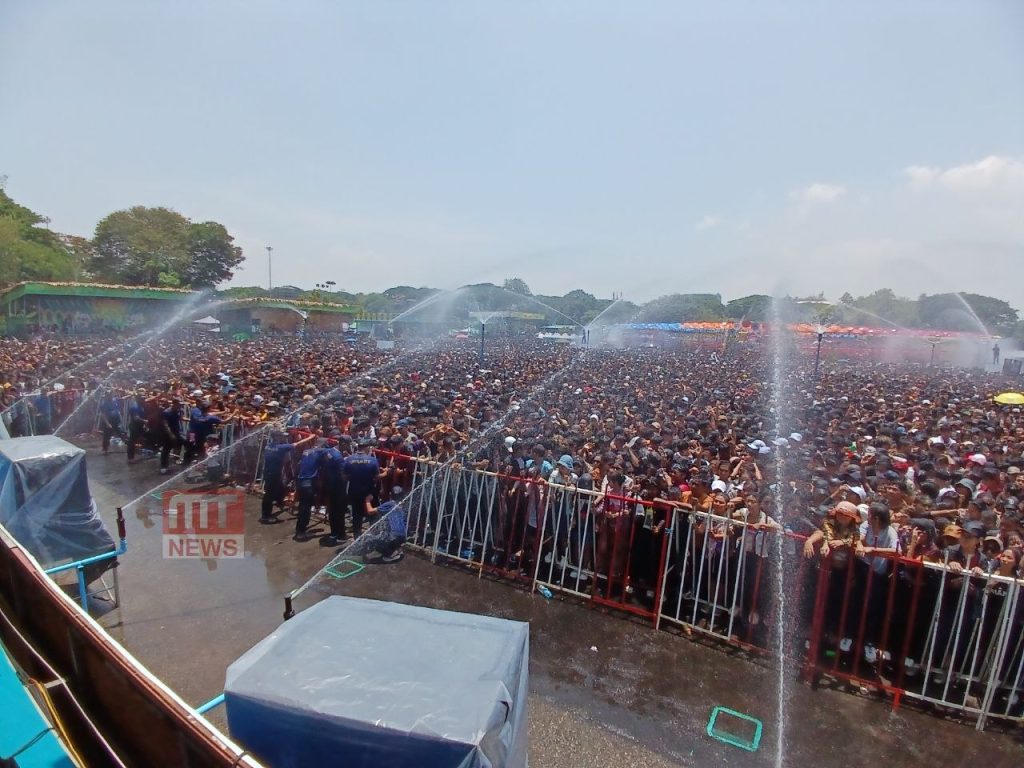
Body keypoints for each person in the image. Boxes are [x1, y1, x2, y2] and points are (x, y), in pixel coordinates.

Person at [342, 440, 381, 538]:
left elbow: (344, 476)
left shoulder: (349, 459)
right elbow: (377, 477)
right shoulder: (373, 460)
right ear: (367, 447)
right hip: (369, 491)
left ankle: (357, 537)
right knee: (372, 514)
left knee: (356, 515)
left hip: (354, 490)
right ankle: (374, 536)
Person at [361, 494, 408, 563]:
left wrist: (367, 500)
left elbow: (370, 511)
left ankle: (391, 554)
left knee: (369, 538)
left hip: (394, 536)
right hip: (402, 537)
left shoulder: (390, 504)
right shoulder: (400, 506)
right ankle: (396, 549)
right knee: (384, 534)